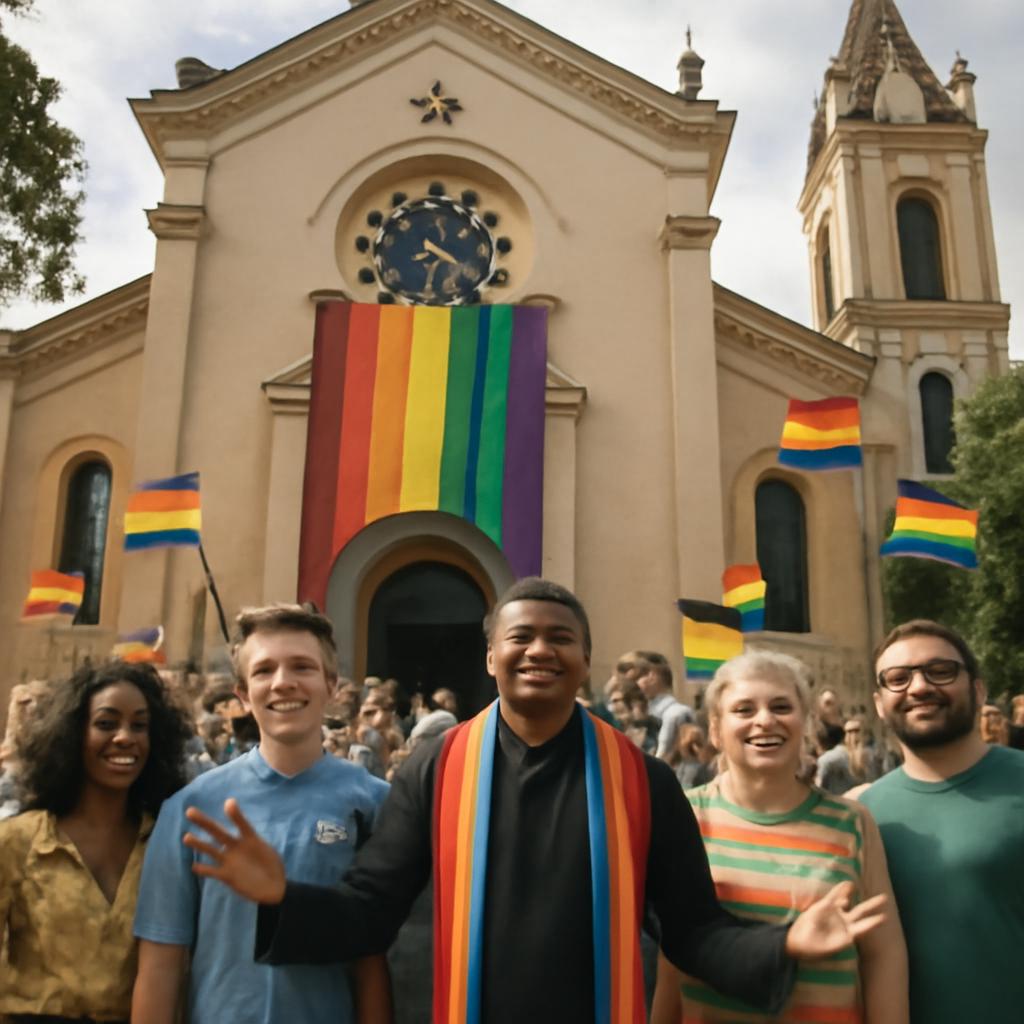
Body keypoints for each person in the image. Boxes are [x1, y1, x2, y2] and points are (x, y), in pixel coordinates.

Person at [182, 578, 889, 1024]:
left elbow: (694, 930)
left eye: (562, 639)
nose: (539, 650)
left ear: (585, 660)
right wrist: (284, 896)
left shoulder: (643, 778)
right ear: (490, 657)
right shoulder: (435, 765)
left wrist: (782, 944)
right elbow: (372, 908)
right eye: (520, 637)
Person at [131, 603, 392, 1024]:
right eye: (264, 670)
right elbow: (161, 965)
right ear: (242, 695)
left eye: (302, 667)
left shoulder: (377, 804)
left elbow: (374, 961)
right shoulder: (191, 809)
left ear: (331, 685)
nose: (283, 683)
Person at [652, 651, 907, 1024]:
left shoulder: (853, 822)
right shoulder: (684, 817)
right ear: (716, 730)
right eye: (744, 710)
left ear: (805, 722)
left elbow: (882, 955)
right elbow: (672, 957)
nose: (765, 720)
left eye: (781, 706)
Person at [0, 660, 190, 1022]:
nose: (124, 737)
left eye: (140, 725)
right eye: (106, 723)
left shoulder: (168, 843)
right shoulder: (17, 841)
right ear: (72, 735)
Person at [855, 619, 1024, 1023]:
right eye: (898, 678)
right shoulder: (863, 814)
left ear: (978, 689)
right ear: (879, 703)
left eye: (940, 671)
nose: (918, 687)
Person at [632, 652, 696, 759]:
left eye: (637, 678)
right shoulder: (648, 713)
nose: (634, 685)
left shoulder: (674, 714)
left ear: (652, 676)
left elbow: (662, 758)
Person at [815, 715, 881, 794]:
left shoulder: (871, 755)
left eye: (856, 731)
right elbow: (822, 763)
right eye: (850, 732)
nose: (853, 735)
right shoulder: (839, 755)